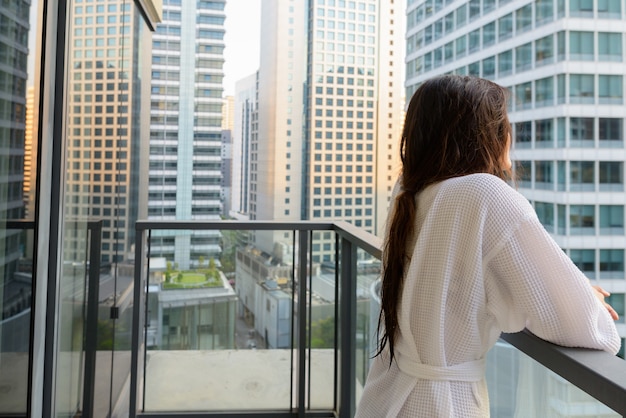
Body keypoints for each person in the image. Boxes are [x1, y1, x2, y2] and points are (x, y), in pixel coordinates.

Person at [355, 75, 621, 417]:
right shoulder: (484, 194)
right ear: (486, 135)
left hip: (387, 395)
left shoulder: (411, 192)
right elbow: (590, 330)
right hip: (444, 406)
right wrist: (586, 296)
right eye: (504, 124)